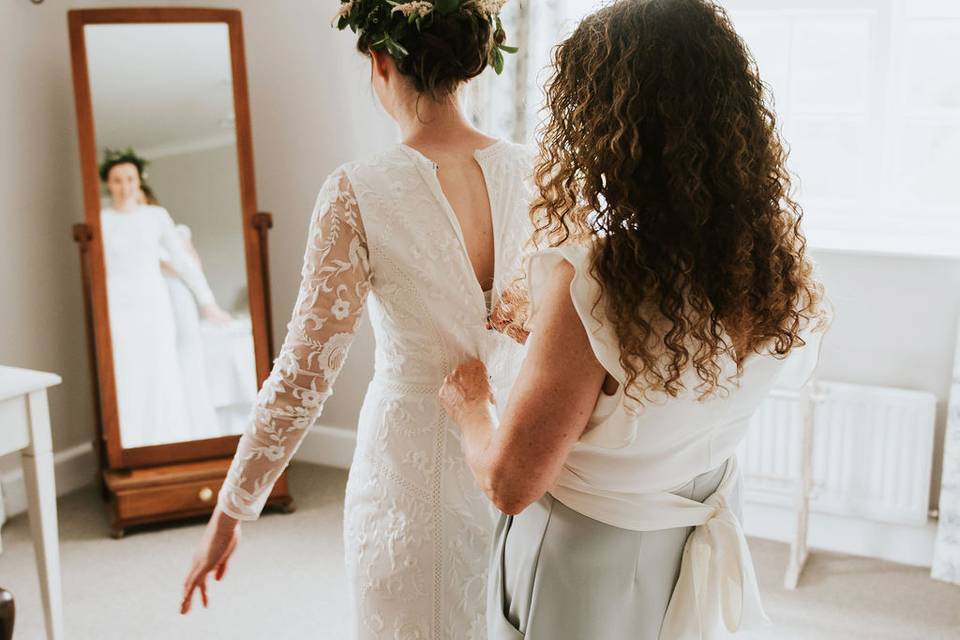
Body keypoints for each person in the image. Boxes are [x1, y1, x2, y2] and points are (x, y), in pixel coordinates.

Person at [438, 1, 829, 638]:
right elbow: (673, 387)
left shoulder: (598, 281)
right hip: (687, 541)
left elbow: (510, 484)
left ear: (608, 130)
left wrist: (470, 404)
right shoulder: (772, 264)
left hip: (586, 567)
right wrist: (558, 343)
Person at [181, 2, 533, 638]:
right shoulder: (538, 174)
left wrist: (228, 513)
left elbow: (303, 376)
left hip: (405, 476)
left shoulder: (357, 191)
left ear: (379, 59)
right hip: (516, 459)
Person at [99, 149, 230, 448]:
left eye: (130, 178)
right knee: (126, 370)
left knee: (161, 369)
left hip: (153, 304)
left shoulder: (155, 216)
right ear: (108, 183)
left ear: (138, 181)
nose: (124, 186)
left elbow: (183, 261)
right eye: (117, 180)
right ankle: (131, 443)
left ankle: (165, 441)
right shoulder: (102, 220)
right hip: (117, 305)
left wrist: (206, 300)